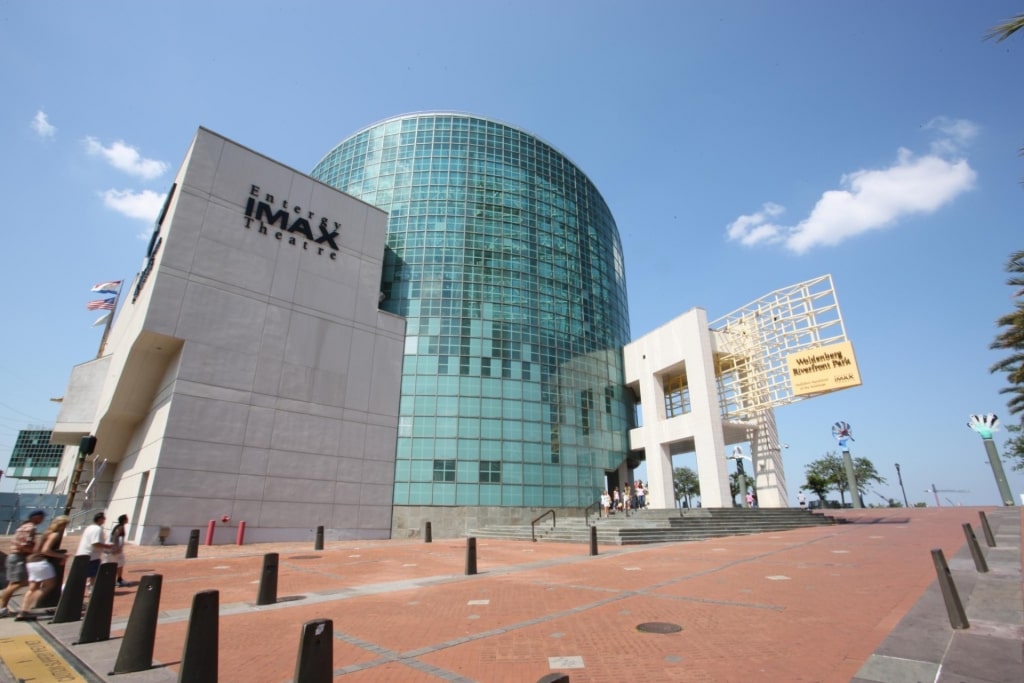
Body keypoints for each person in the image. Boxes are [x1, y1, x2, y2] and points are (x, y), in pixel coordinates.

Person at [16, 515, 70, 620]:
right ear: (62, 525)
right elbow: (45, 550)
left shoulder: (46, 533)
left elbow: (36, 548)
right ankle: (28, 607)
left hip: (31, 561)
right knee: (50, 585)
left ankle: (23, 610)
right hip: (41, 562)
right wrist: (62, 556)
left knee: (32, 588)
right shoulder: (54, 535)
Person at [0, 509, 45, 617]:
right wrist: (35, 552)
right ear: (36, 517)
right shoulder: (30, 527)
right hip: (18, 557)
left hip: (15, 557)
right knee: (20, 582)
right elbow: (24, 545)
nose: (43, 520)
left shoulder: (23, 526)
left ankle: (3, 608)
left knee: (12, 583)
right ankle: (2, 600)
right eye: (41, 517)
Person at [76, 512, 112, 595]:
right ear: (99, 519)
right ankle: (91, 589)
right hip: (91, 556)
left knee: (82, 574)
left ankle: (90, 587)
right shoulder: (97, 529)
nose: (104, 520)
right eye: (103, 519)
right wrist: (107, 546)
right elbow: (95, 543)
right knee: (93, 574)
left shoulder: (89, 527)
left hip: (83, 554)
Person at [106, 514, 129, 587]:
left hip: (113, 548)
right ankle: (119, 580)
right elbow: (117, 538)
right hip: (116, 549)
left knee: (115, 564)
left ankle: (114, 579)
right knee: (120, 564)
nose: (128, 520)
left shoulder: (117, 526)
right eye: (126, 519)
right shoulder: (120, 527)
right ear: (124, 520)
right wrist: (117, 548)